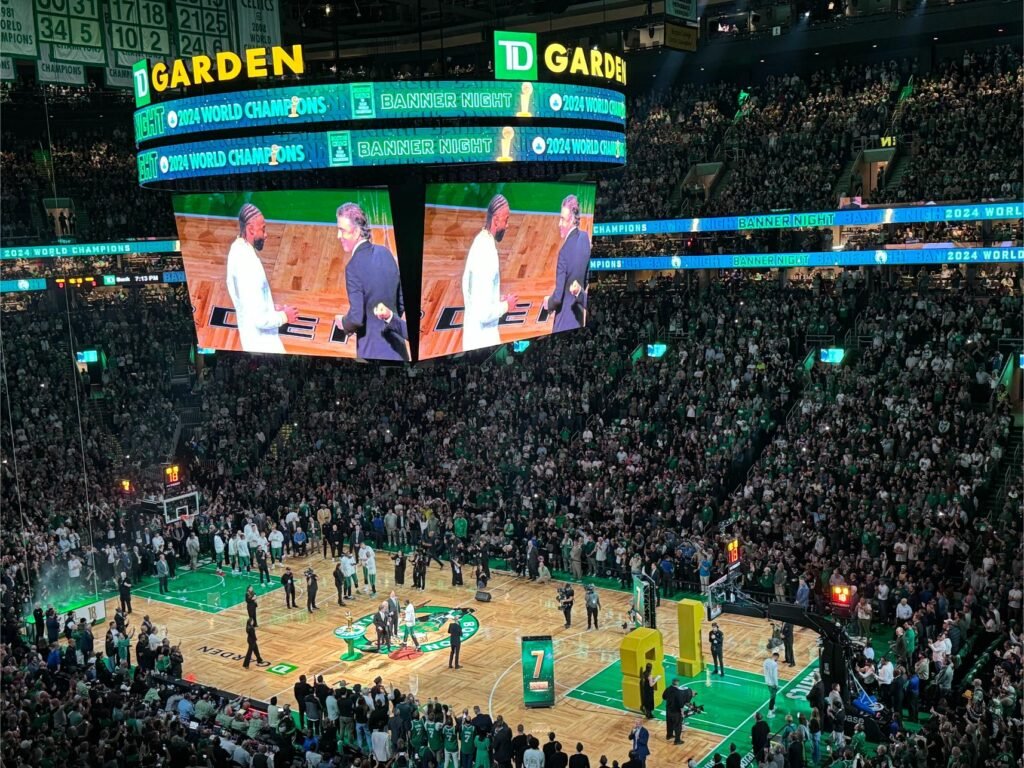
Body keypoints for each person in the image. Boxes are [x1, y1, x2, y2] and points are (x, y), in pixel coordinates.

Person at [334, 202, 410, 361]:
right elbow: (402, 302)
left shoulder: (353, 267)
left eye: (342, 230)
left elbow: (356, 318)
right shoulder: (386, 253)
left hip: (372, 354)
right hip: (399, 352)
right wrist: (388, 319)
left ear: (356, 232)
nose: (338, 236)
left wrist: (343, 323)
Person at [225, 203, 298, 353]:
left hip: (253, 340)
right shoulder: (247, 264)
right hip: (264, 345)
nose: (266, 235)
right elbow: (259, 319)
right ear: (250, 228)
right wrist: (285, 316)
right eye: (262, 229)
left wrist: (270, 308)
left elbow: (250, 303)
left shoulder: (237, 249)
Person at [461, 194, 518, 352]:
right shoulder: (488, 253)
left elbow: (470, 288)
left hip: (472, 337)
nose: (507, 225)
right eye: (506, 220)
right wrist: (507, 305)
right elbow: (484, 313)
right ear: (496, 219)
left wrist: (495, 299)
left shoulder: (479, 241)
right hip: (483, 342)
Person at [543, 194, 591, 332]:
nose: (559, 224)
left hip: (563, 323)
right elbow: (586, 279)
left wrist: (548, 303)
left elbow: (558, 298)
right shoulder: (585, 238)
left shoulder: (563, 253)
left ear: (571, 220)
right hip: (579, 317)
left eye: (562, 219)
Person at [662, 679, 684, 745]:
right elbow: (681, 704)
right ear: (677, 684)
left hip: (668, 710)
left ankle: (669, 735)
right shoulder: (678, 692)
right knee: (677, 726)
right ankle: (677, 740)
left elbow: (663, 697)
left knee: (669, 723)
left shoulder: (668, 689)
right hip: (676, 712)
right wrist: (682, 712)